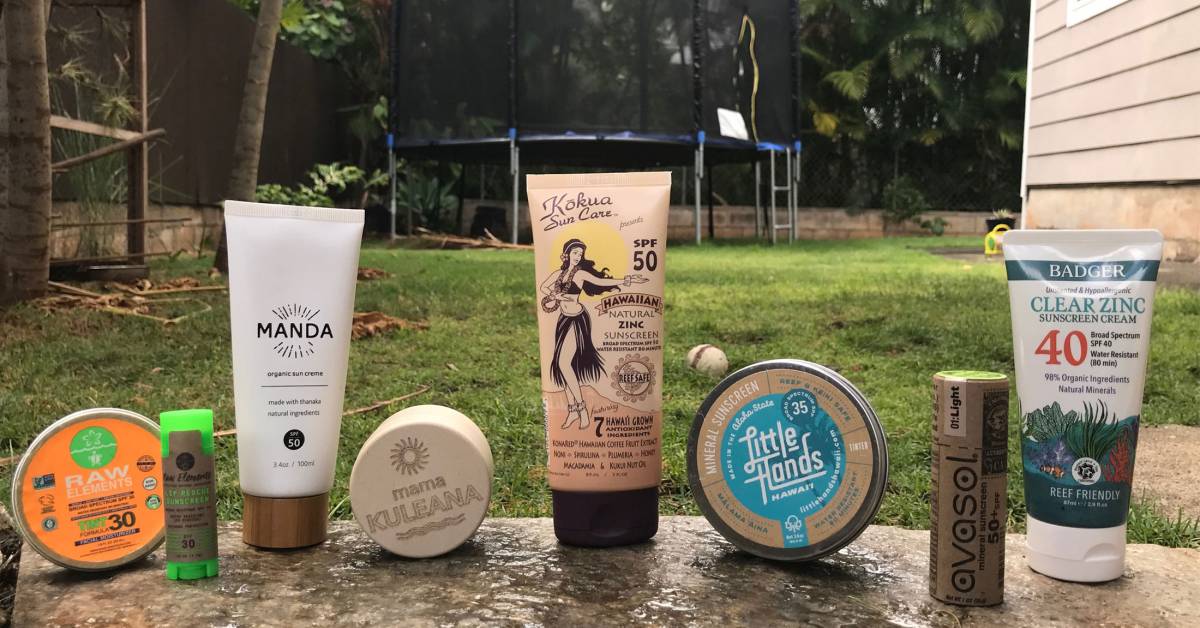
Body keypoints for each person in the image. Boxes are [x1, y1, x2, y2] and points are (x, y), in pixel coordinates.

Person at [540, 238, 648, 429]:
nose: (578, 256)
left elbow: (601, 281)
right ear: (566, 254)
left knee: (564, 364)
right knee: (563, 366)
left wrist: (628, 280)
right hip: (563, 319)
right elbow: (543, 287)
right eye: (575, 253)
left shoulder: (580, 274)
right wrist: (556, 295)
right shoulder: (558, 274)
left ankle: (582, 410)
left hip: (577, 318)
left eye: (580, 254)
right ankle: (572, 411)